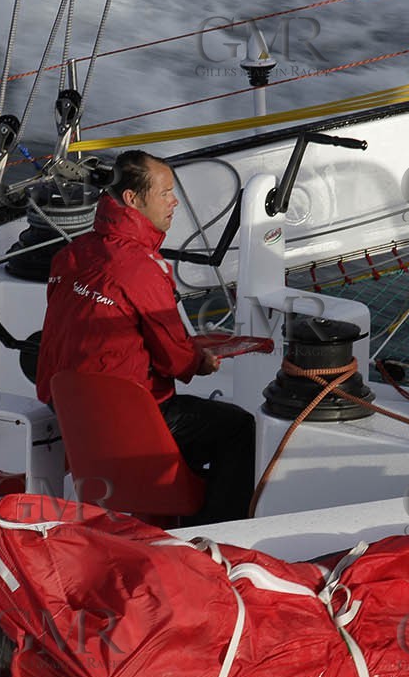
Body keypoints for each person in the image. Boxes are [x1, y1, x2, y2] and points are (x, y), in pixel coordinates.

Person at [33, 150, 256, 524]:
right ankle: (220, 532)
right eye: (165, 193)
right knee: (238, 428)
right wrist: (200, 361)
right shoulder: (143, 269)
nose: (174, 202)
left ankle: (168, 511)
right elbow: (175, 360)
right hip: (127, 418)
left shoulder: (71, 254)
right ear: (133, 199)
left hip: (72, 410)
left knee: (196, 426)